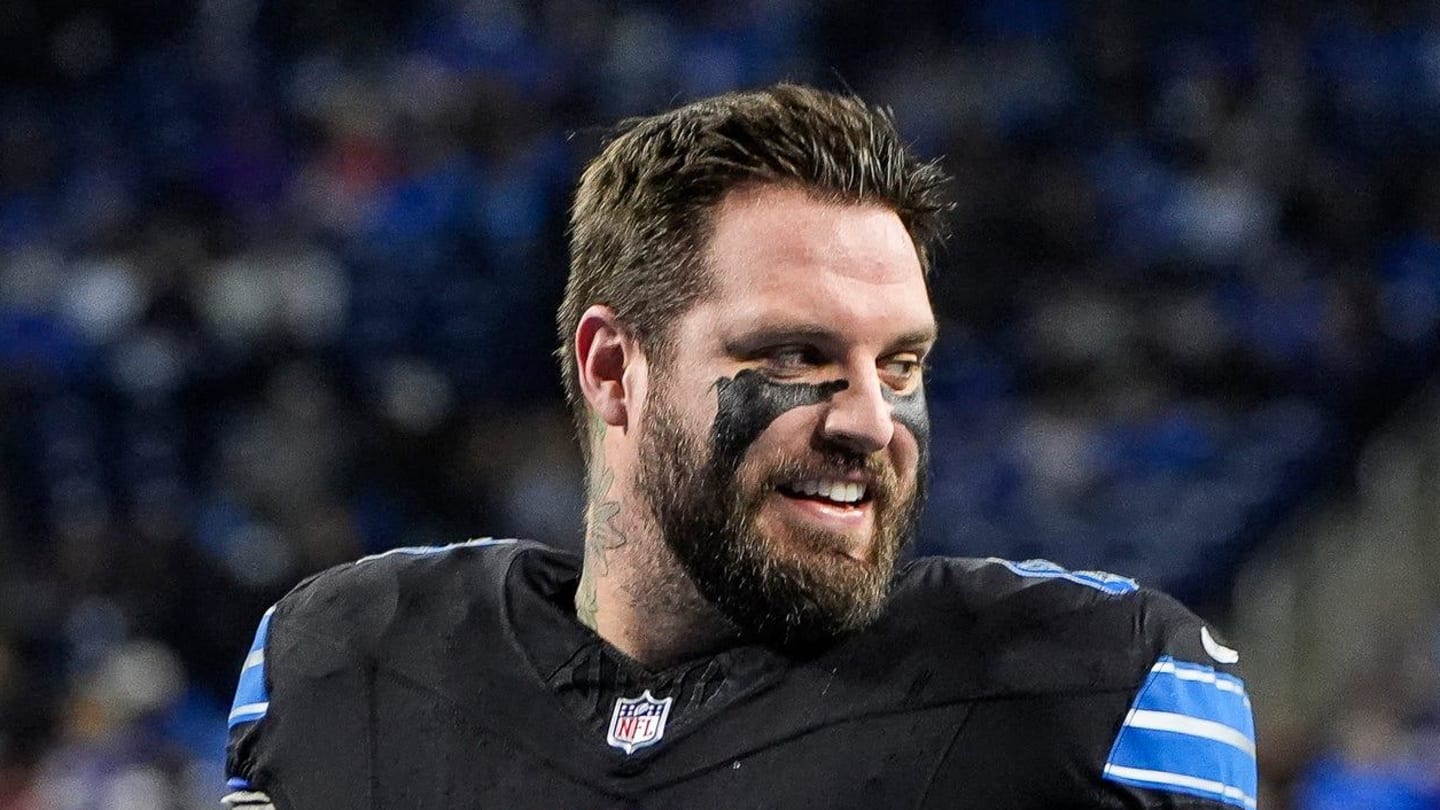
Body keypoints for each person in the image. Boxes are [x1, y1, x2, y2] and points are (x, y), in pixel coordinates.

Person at [223, 84, 1257, 809]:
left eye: (901, 365)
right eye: (798, 356)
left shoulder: (1083, 695)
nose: (869, 421)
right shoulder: (346, 669)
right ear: (613, 369)